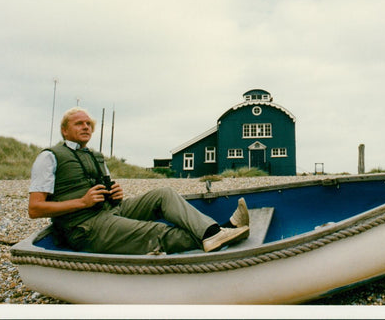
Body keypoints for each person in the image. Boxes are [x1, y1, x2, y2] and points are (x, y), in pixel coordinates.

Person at [28, 107, 249, 254]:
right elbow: (35, 209)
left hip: (110, 211)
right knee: (154, 231)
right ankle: (223, 231)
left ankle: (213, 234)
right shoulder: (49, 157)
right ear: (65, 130)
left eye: (88, 124)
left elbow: (106, 192)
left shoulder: (95, 156)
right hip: (84, 228)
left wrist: (116, 194)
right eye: (78, 124)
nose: (85, 127)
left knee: (164, 193)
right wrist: (82, 203)